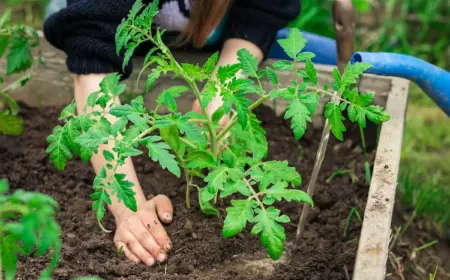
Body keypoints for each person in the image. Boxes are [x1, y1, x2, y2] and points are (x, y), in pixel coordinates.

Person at [44, 0, 301, 266]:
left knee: (324, 54)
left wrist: (222, 88)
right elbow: (93, 67)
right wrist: (128, 207)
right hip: (114, 31)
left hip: (212, 32)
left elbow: (261, 12)